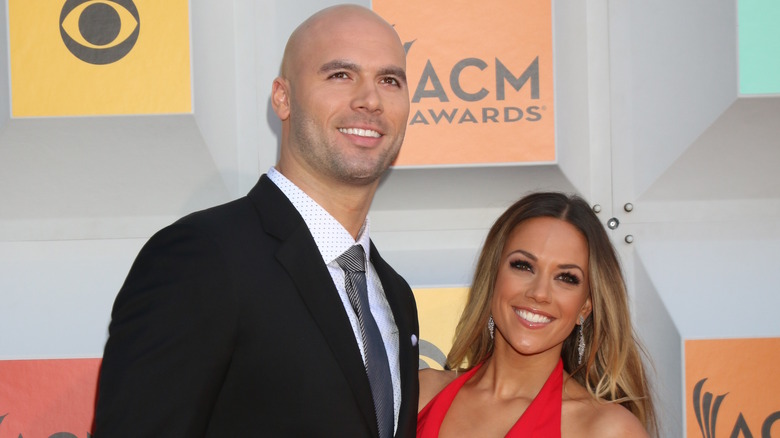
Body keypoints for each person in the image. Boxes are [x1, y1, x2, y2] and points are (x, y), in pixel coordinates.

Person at [94, 5, 419, 436]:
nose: (370, 100)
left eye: (389, 80)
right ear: (283, 97)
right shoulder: (202, 259)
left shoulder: (393, 294)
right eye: (340, 75)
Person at [417, 192, 657, 437]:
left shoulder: (608, 430)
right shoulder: (420, 394)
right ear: (493, 278)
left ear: (585, 306)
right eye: (523, 266)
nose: (540, 293)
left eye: (566, 278)